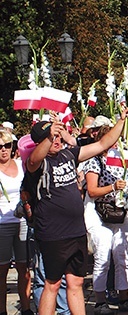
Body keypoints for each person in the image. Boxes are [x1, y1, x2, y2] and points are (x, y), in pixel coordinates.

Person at [25, 108, 128, 315]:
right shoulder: (37, 162)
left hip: (76, 230)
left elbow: (102, 143)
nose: (57, 141)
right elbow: (33, 160)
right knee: (53, 283)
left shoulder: (68, 154)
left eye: (58, 137)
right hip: (53, 233)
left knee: (76, 282)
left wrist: (121, 121)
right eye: (52, 138)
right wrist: (50, 135)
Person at [84, 125, 128, 315]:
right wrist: (113, 187)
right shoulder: (94, 162)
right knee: (103, 256)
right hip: (100, 213)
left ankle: (124, 298)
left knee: (123, 256)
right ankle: (100, 301)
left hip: (121, 212)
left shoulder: (123, 160)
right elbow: (92, 191)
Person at [0, 129, 32, 315]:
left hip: (22, 221)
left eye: (7, 146)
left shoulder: (21, 165)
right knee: (2, 271)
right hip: (2, 223)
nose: (3, 150)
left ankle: (26, 308)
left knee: (24, 268)